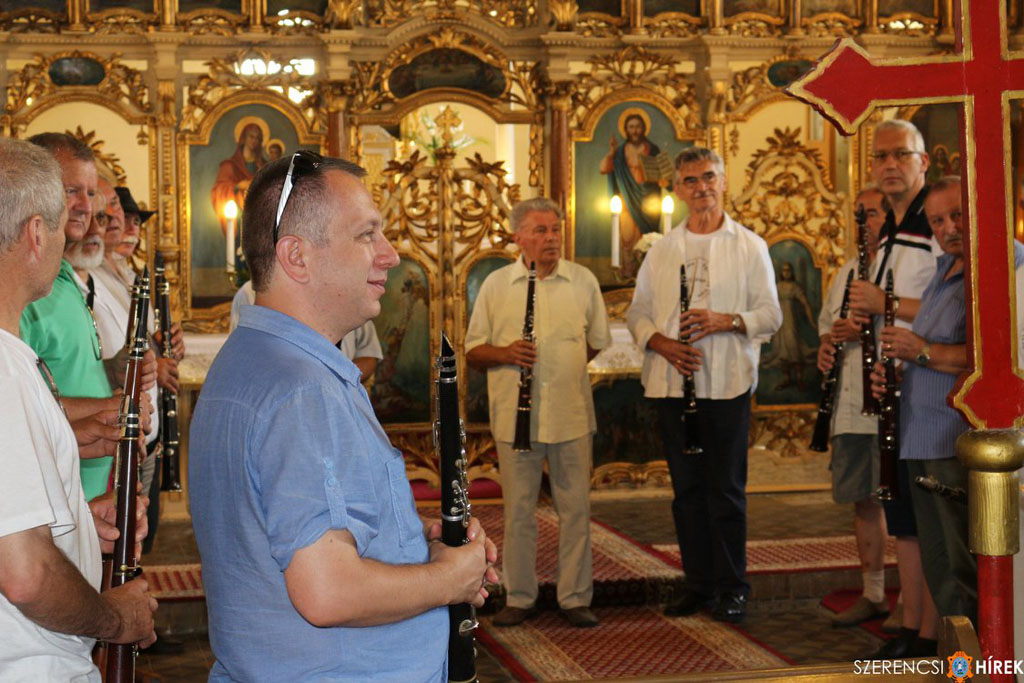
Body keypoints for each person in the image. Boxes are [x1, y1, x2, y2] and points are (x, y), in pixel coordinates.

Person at [190, 151, 497, 680]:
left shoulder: (249, 359)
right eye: (366, 235)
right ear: (297, 257)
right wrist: (450, 580)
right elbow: (328, 591)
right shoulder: (302, 390)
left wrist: (416, 548)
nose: (391, 255)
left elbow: (293, 538)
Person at [0, 135, 157, 680]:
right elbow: (26, 576)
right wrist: (116, 618)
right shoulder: (3, 368)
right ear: (36, 234)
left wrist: (79, 528)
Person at [627, 146, 782, 623]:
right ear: (677, 189)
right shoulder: (662, 249)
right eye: (691, 180)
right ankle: (698, 585)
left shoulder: (750, 245)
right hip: (673, 385)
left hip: (727, 385)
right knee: (687, 492)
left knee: (727, 491)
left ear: (724, 181)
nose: (701, 188)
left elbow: (771, 315)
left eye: (709, 177)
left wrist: (725, 320)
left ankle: (733, 587)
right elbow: (637, 313)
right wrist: (661, 343)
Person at [465, 197, 611, 629]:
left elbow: (596, 341)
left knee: (576, 511)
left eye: (556, 229)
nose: (552, 238)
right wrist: (507, 353)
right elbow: (474, 350)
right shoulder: (496, 285)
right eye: (541, 230)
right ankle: (520, 597)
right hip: (516, 419)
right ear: (519, 237)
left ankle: (575, 597)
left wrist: (563, 369)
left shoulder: (583, 281)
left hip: (571, 415)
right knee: (519, 512)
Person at [849, 119, 940, 659]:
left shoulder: (936, 225)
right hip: (898, 389)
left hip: (934, 390)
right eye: (880, 156)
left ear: (922, 161)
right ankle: (911, 626)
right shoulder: (891, 231)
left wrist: (885, 305)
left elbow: (959, 303)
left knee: (928, 518)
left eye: (900, 155)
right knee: (903, 519)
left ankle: (931, 632)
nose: (889, 165)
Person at [20, 132, 151, 500]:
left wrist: (111, 372)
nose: (85, 206)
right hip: (50, 498)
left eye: (91, 193)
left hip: (86, 493)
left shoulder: (62, 277)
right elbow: (18, 407)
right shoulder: (28, 286)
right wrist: (115, 409)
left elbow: (57, 374)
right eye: (71, 190)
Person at [817, 186, 891, 627]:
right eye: (858, 214)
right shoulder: (846, 270)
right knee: (863, 501)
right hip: (849, 402)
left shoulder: (900, 265)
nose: (864, 223)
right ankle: (874, 592)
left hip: (888, 401)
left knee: (900, 504)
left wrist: (864, 329)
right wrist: (827, 344)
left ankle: (915, 602)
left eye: (873, 214)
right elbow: (827, 327)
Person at [230, 279, 382, 383]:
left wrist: (338, 380)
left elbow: (369, 355)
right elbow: (243, 359)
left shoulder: (350, 292)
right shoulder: (252, 294)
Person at [600, 112, 667, 268]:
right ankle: (628, 273)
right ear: (626, 129)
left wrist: (663, 179)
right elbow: (603, 169)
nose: (635, 131)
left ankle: (647, 271)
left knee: (648, 236)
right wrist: (611, 153)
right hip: (627, 197)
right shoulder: (619, 152)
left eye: (638, 127)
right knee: (627, 237)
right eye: (631, 127)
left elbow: (664, 176)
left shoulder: (653, 149)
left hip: (649, 200)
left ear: (643, 128)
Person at [211, 121, 266, 238]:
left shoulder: (264, 166)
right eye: (251, 136)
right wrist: (237, 186)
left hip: (259, 215)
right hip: (239, 215)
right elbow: (219, 189)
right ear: (243, 138)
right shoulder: (230, 165)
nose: (254, 141)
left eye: (257, 138)